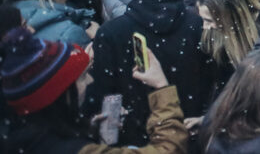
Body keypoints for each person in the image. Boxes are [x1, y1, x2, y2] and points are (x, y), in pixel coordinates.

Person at [85, 0, 213, 146]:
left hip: (140, 136)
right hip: (188, 128)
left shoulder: (111, 33)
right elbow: (209, 78)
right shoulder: (195, 23)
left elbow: (104, 93)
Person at [2, 26, 188, 154]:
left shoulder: (22, 138)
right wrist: (161, 88)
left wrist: (86, 131)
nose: (90, 80)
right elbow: (169, 150)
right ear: (58, 95)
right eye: (81, 78)